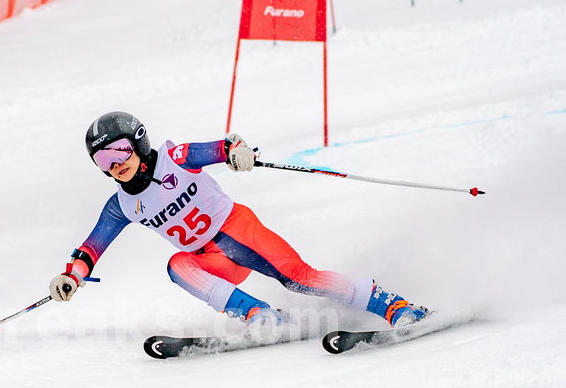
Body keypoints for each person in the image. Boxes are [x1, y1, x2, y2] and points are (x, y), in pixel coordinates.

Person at [49, 111, 427, 327]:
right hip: (212, 259)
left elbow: (218, 147)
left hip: (238, 230)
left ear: (139, 143)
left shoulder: (173, 158)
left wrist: (237, 150)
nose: (115, 166)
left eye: (119, 152)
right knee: (177, 265)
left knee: (300, 279)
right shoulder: (121, 205)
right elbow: (92, 247)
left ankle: (390, 305)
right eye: (103, 161)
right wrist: (72, 275)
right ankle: (259, 315)